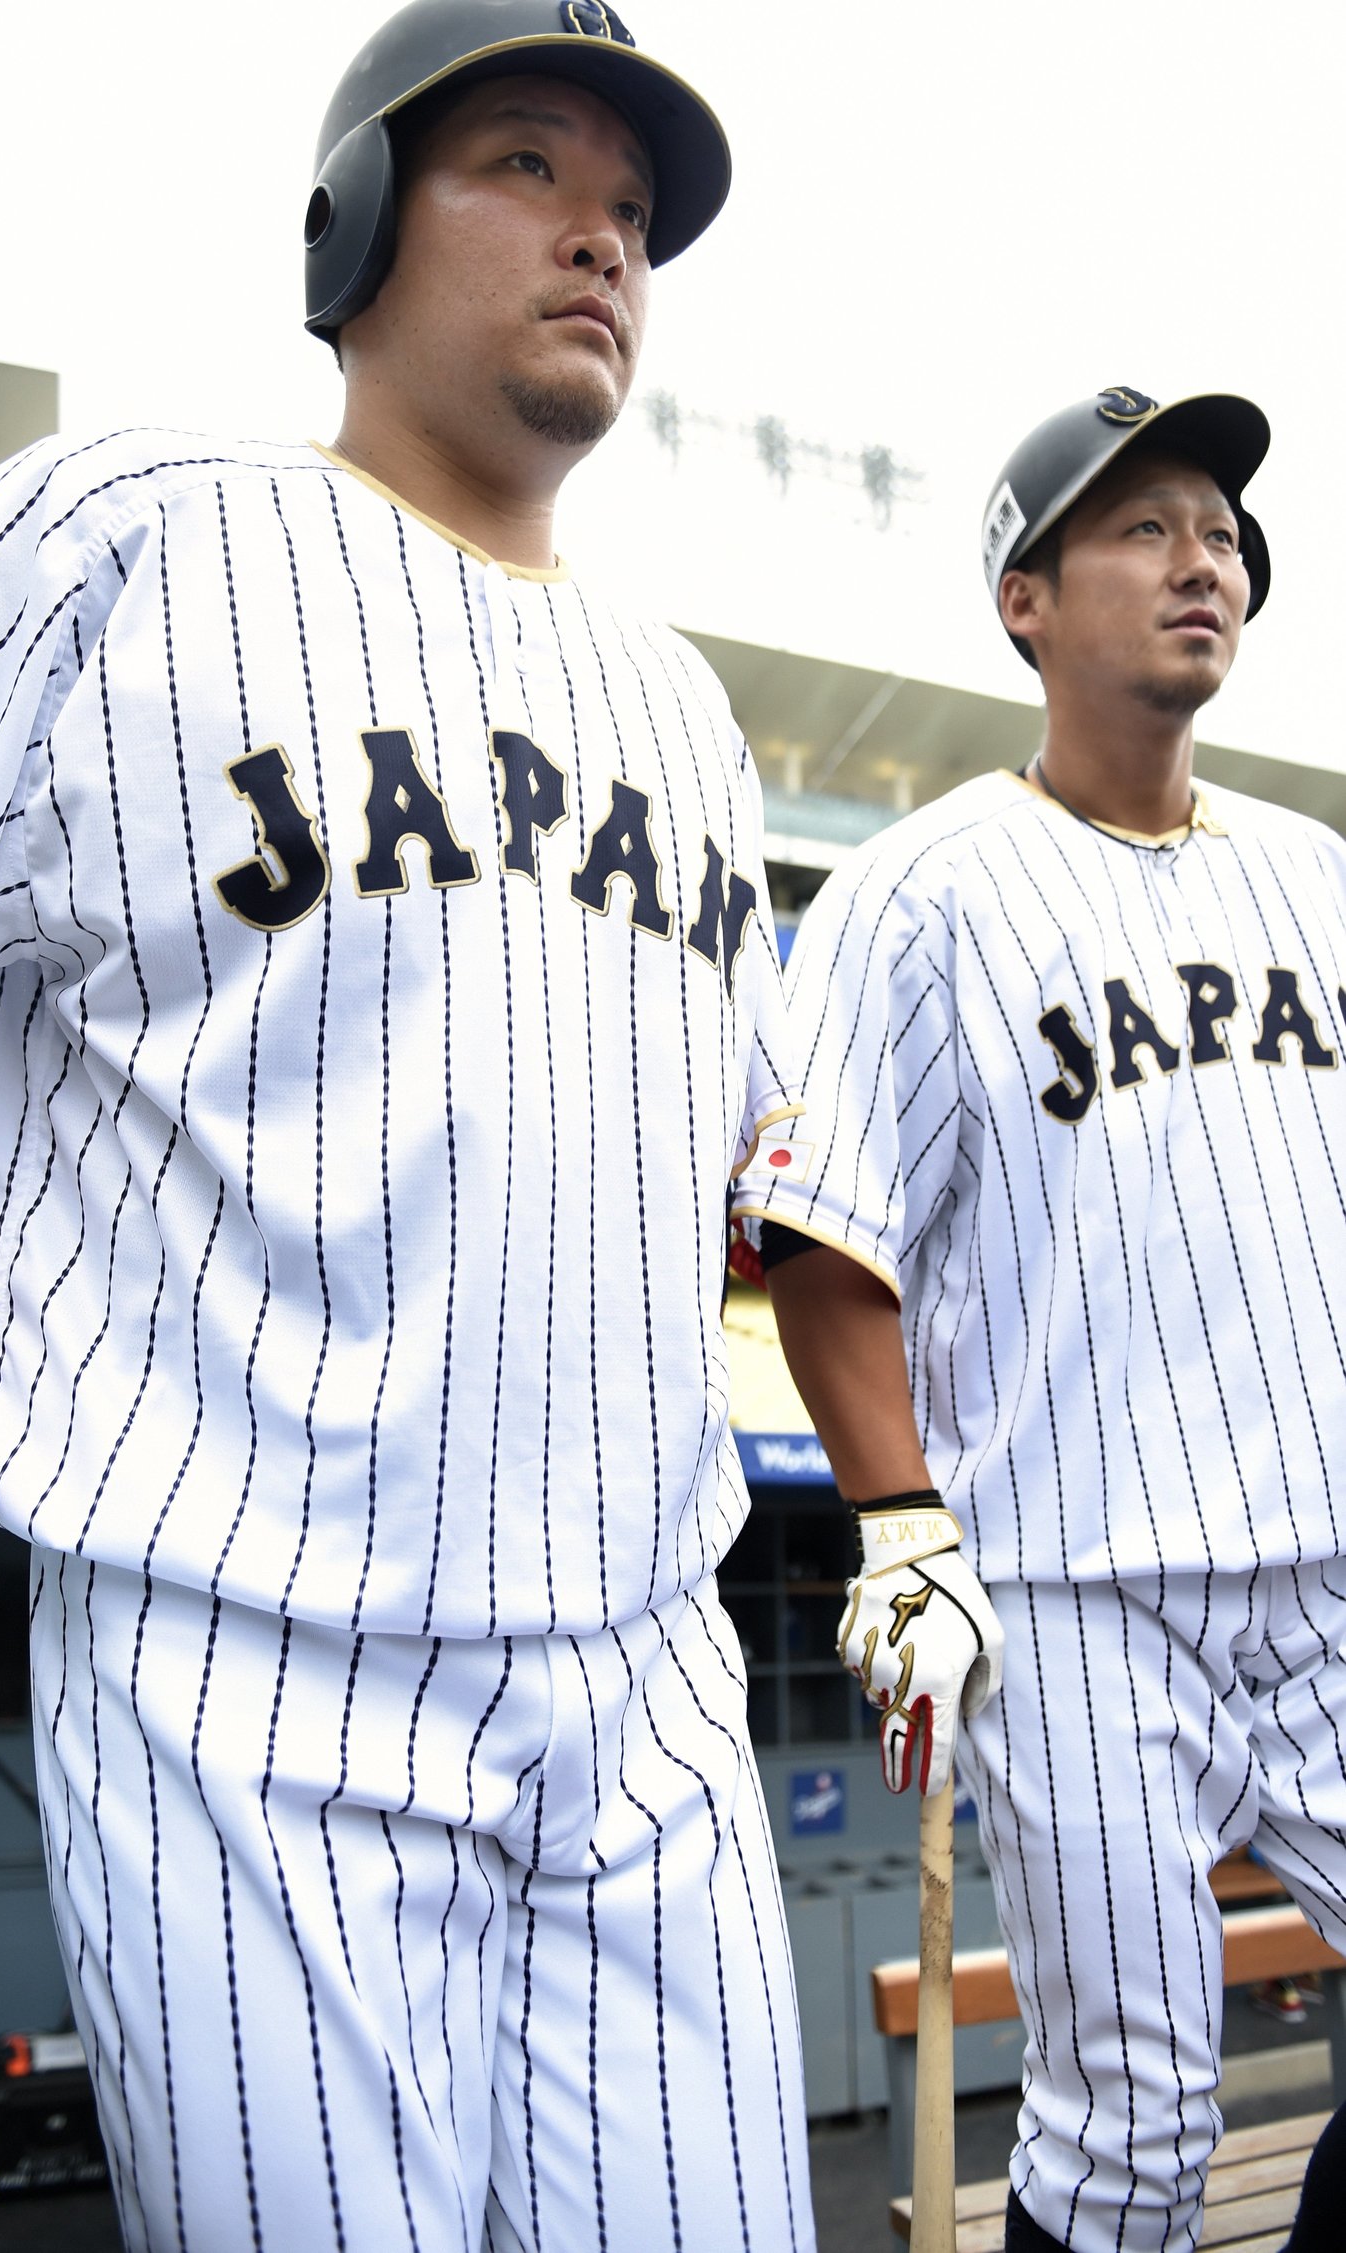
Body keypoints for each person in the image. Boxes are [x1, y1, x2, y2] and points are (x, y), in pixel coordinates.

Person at [0, 5, 815, 2246]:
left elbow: (737, 1188)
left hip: (648, 1666)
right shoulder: (119, 532)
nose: (602, 235)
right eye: (529, 166)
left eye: (636, 213)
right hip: (248, 1657)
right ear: (357, 220)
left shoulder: (682, 702)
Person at [736, 384, 1346, 2252]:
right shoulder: (916, 891)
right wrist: (899, 1516)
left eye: (1224, 535)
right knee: (1140, 2120)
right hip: (1081, 1597)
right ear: (1027, 598)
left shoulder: (1319, 884)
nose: (1205, 563)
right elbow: (820, 1223)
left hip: (1329, 1570)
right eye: (1148, 529)